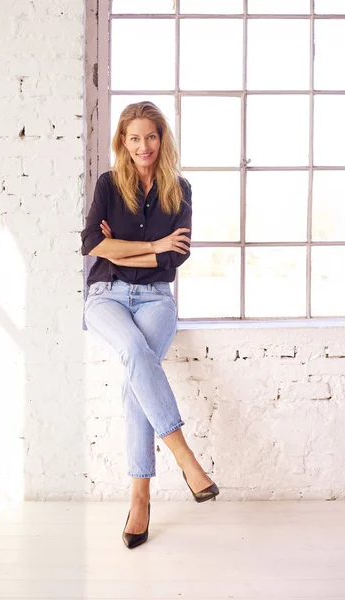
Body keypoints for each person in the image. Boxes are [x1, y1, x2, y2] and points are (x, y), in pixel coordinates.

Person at [81, 101, 219, 549]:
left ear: (162, 140)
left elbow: (174, 255)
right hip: (106, 297)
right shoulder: (107, 184)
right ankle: (186, 458)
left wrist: (122, 247)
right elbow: (91, 245)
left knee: (133, 381)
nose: (144, 145)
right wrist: (150, 245)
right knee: (137, 356)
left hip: (158, 299)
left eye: (151, 136)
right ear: (123, 140)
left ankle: (139, 499)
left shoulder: (179, 189)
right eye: (134, 137)